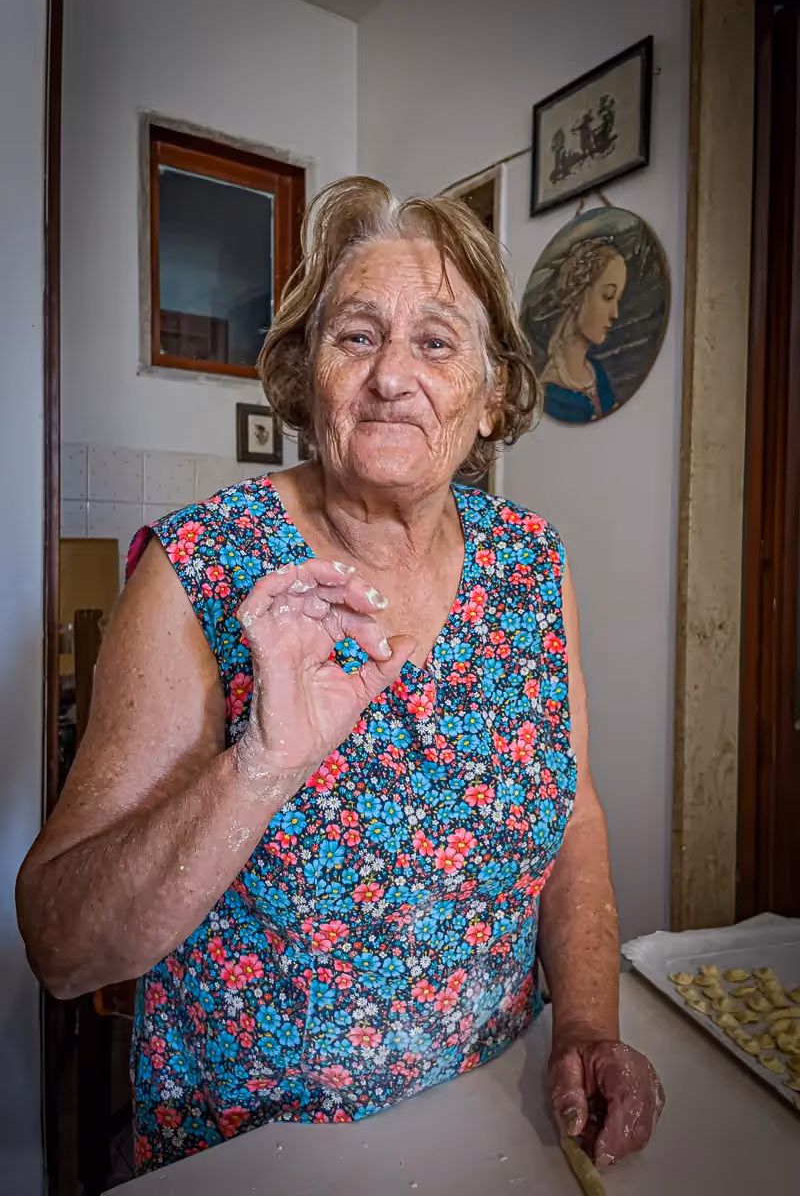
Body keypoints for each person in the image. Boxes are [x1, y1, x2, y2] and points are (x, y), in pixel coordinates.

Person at [17, 177, 663, 1173]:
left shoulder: (531, 562)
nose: (391, 376)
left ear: (491, 397)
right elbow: (62, 950)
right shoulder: (198, 568)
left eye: (436, 342)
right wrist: (261, 764)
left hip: (490, 1125)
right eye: (355, 337)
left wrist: (582, 1023)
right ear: (304, 378)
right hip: (256, 1156)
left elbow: (567, 813)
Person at [541, 238, 627, 424]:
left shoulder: (597, 373)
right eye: (607, 296)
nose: (615, 314)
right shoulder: (550, 394)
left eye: (617, 300)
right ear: (578, 295)